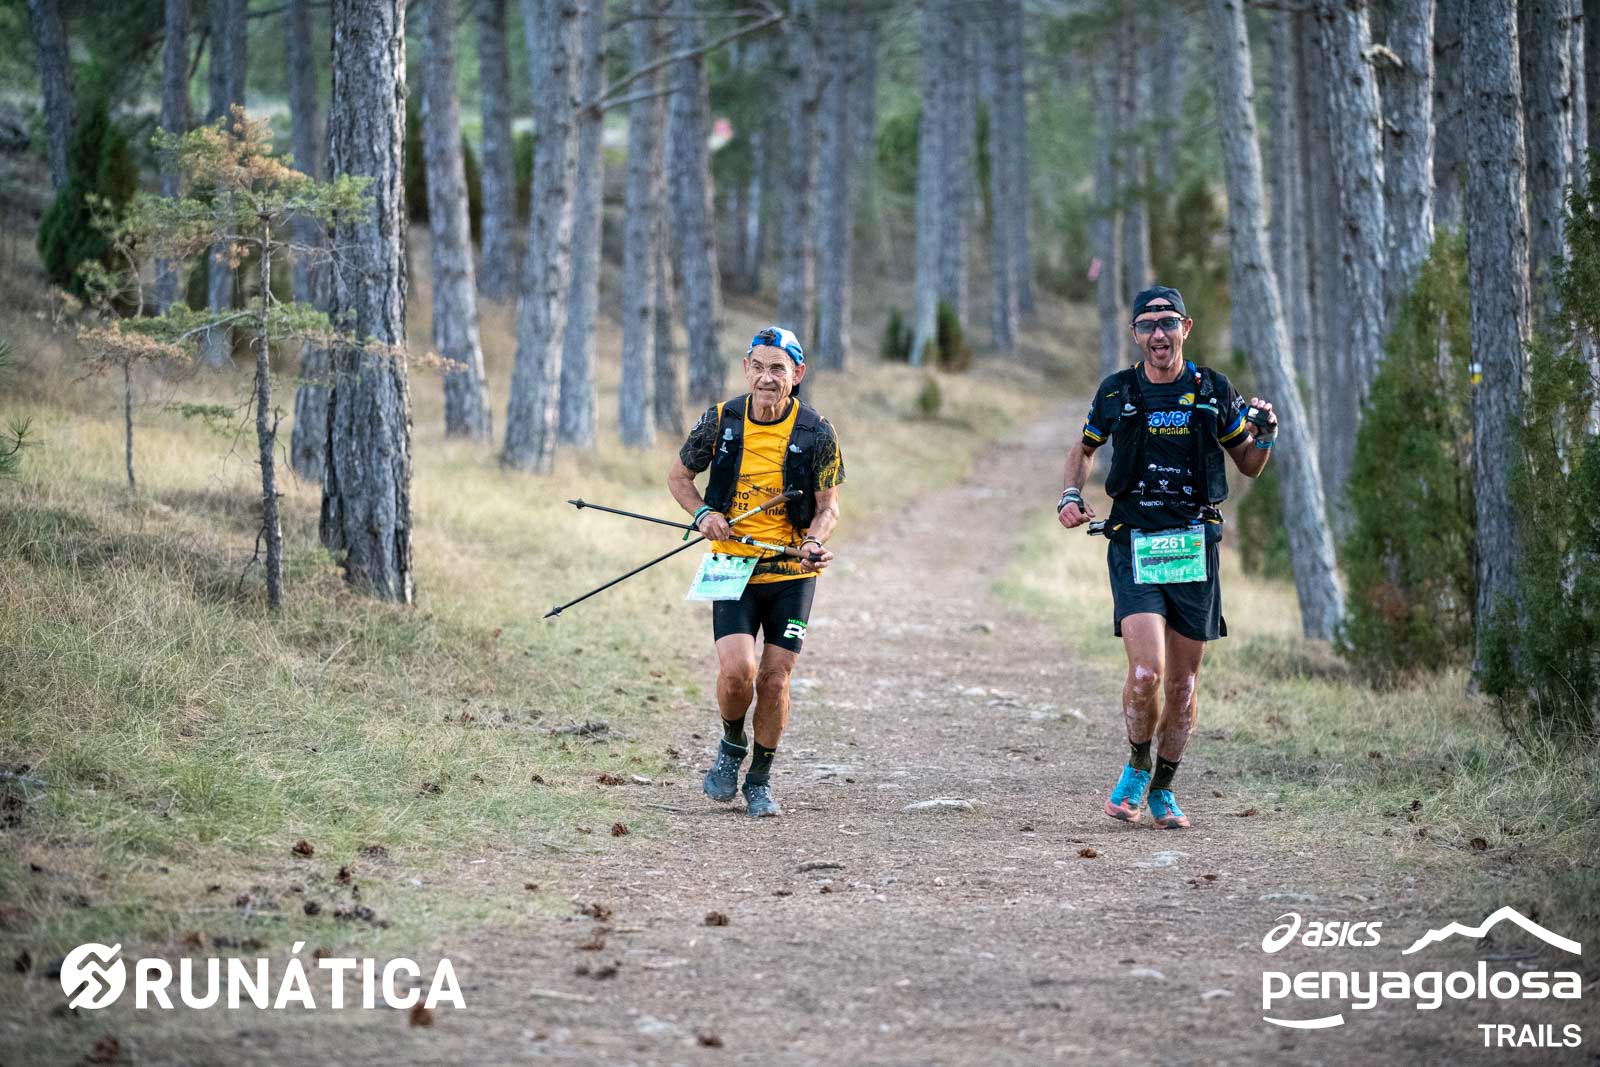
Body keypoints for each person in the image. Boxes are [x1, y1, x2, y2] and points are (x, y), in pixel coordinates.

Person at [1056, 286, 1277, 829]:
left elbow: (1247, 463)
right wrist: (1070, 494)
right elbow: (1084, 448)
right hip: (1135, 543)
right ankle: (1137, 764)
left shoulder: (1212, 390)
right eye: (1148, 325)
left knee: (1182, 686)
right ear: (1135, 334)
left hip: (1193, 548)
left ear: (1186, 328)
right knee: (1146, 672)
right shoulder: (1117, 391)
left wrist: (1266, 435)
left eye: (1168, 323)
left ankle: (1164, 787)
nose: (1159, 334)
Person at [667, 327, 845, 818]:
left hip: (791, 571)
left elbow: (828, 508)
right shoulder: (720, 421)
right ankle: (731, 744)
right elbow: (679, 478)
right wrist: (703, 513)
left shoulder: (817, 432)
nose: (767, 378)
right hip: (731, 564)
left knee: (774, 680)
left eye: (778, 369)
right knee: (737, 672)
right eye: (759, 367)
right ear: (746, 369)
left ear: (797, 374)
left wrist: (813, 542)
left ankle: (760, 780)